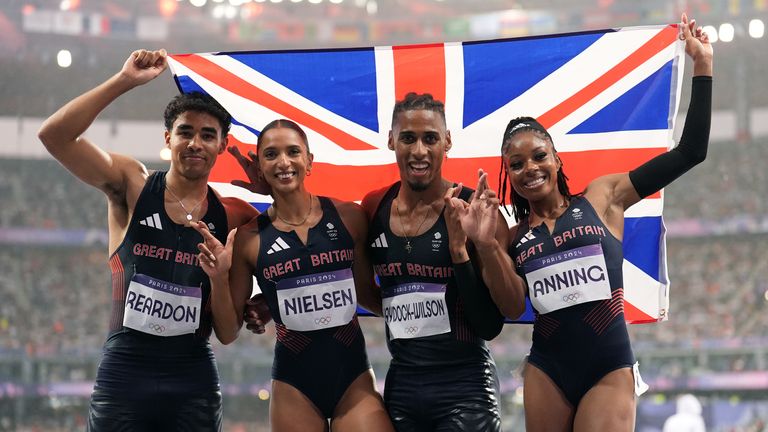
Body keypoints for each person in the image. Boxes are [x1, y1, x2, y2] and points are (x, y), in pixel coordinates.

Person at [466, 13, 712, 431]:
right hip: (546, 370)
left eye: (539, 156)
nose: (530, 168)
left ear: (557, 158)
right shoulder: (510, 236)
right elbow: (507, 310)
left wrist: (703, 65)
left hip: (608, 366)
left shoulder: (604, 197)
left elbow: (690, 152)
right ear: (507, 174)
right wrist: (485, 247)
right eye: (517, 163)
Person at [38, 49, 259, 430]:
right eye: (186, 132)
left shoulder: (235, 216)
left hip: (193, 379)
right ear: (168, 137)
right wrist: (124, 80)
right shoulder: (132, 184)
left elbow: (226, 333)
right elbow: (54, 135)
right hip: (125, 374)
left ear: (222, 145)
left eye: (208, 135)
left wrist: (230, 283)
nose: (195, 143)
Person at [193, 119, 393, 432]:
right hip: (294, 386)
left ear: (309, 161)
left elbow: (368, 294)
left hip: (353, 380)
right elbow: (229, 332)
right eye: (271, 155)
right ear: (260, 167)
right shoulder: (249, 238)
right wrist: (218, 277)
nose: (284, 162)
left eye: (293, 152)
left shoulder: (349, 218)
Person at [359, 93, 525, 431]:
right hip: (402, 385)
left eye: (430, 138)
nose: (419, 151)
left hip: (465, 389)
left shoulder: (476, 210)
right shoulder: (374, 205)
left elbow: (505, 312)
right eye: (408, 138)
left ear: (446, 141)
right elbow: (362, 289)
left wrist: (474, 245)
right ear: (392, 141)